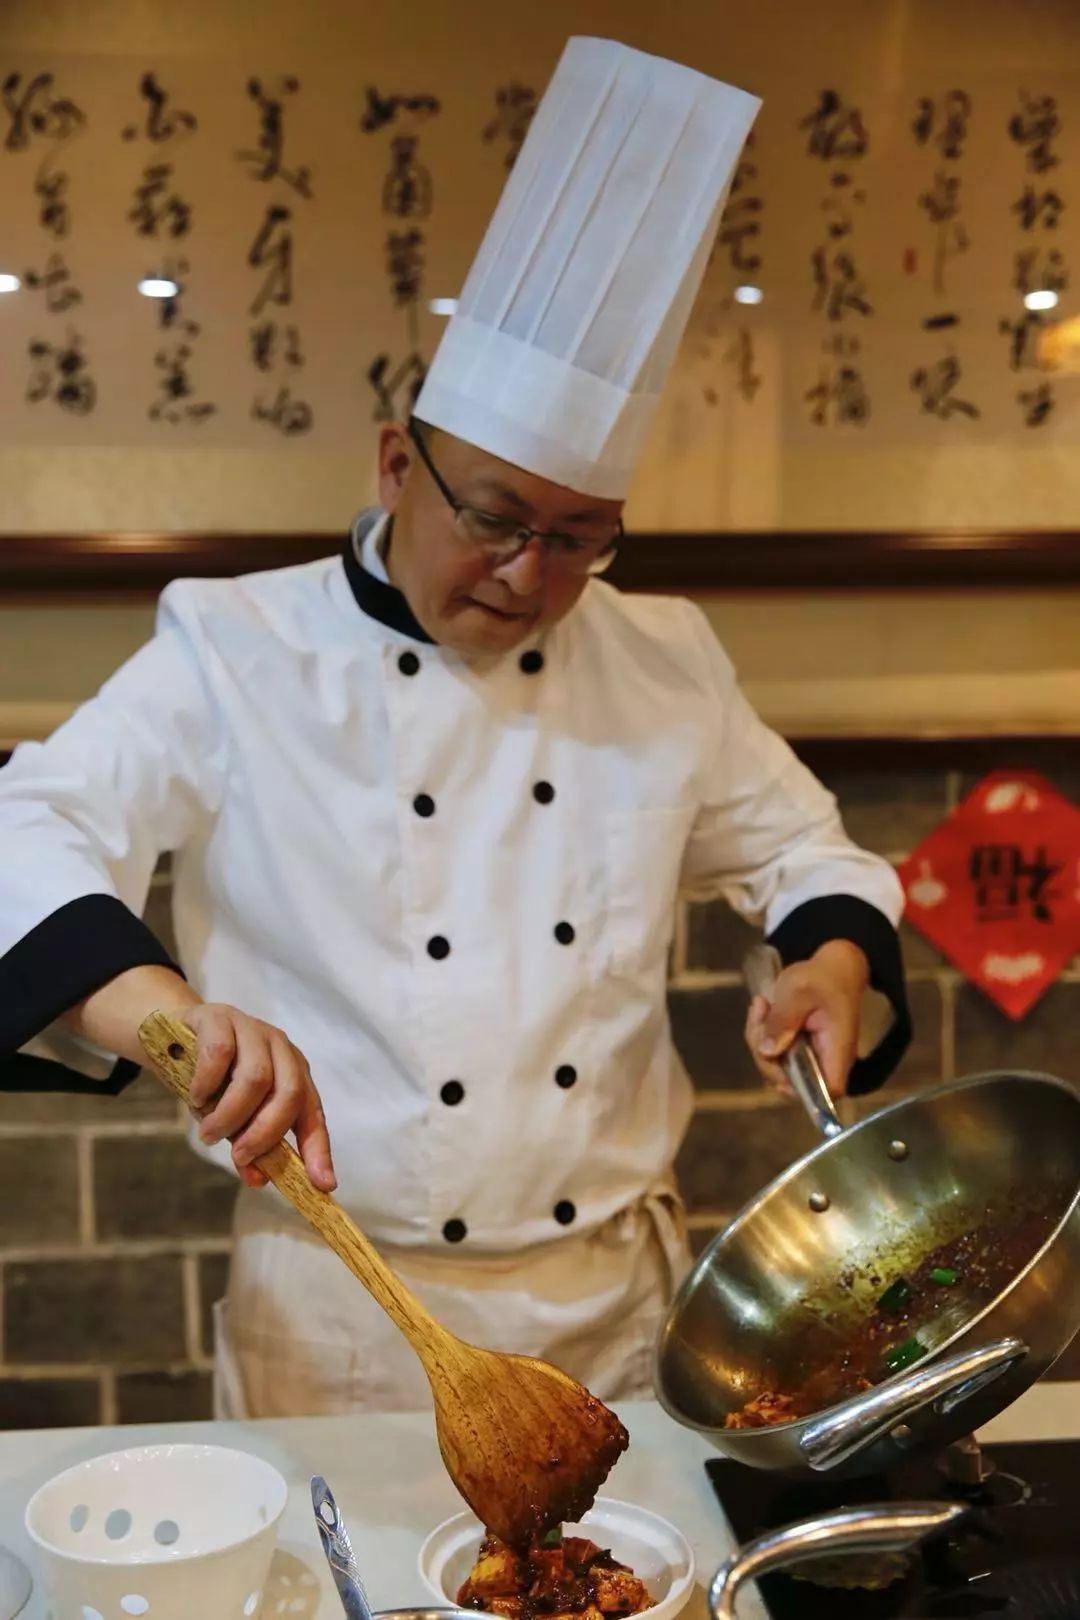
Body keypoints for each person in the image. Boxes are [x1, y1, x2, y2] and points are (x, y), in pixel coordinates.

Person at [0, 38, 909, 1418]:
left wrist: (834, 964)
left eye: (580, 538)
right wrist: (178, 1021)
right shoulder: (238, 648)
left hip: (618, 1304)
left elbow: (809, 855)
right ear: (394, 462)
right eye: (493, 517)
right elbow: (28, 827)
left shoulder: (662, 657)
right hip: (348, 1313)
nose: (531, 575)